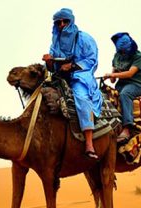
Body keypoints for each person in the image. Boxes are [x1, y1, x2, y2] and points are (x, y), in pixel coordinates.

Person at [42, 8, 102, 160]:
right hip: (60, 77)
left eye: (65, 21)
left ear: (71, 21)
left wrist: (73, 66)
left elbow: (92, 60)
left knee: (81, 98)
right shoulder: (55, 43)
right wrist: (49, 62)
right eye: (58, 22)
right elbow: (52, 66)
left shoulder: (84, 39)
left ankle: (89, 142)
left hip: (80, 76)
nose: (61, 25)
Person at [103, 33, 141, 142]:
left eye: (124, 51)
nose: (122, 53)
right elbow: (113, 78)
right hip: (120, 85)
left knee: (124, 94)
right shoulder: (117, 56)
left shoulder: (138, 57)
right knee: (105, 95)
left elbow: (130, 74)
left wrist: (112, 75)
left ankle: (128, 127)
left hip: (135, 85)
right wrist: (109, 77)